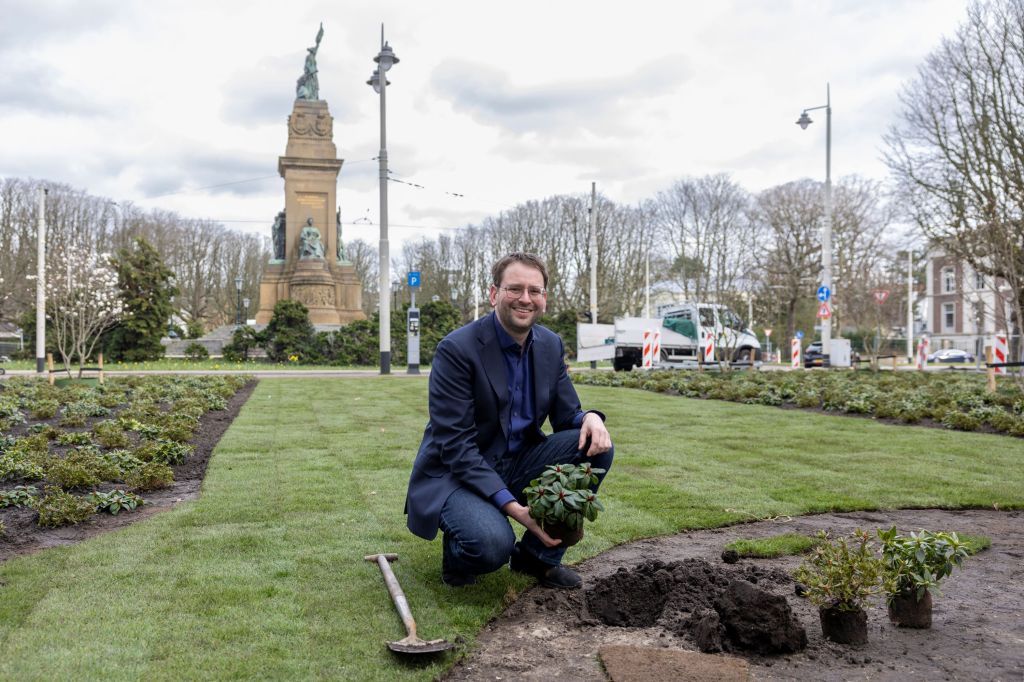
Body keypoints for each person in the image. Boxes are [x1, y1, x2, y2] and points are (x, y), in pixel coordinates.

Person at [405, 252, 613, 589]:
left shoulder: (549, 344)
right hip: (458, 474)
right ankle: (459, 554)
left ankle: (536, 560)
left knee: (597, 445)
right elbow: (455, 446)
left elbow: (565, 415)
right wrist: (515, 509)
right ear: (494, 294)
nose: (525, 299)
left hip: (517, 462)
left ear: (544, 298)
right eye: (514, 289)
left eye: (535, 291)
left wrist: (589, 417)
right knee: (490, 546)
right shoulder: (457, 350)